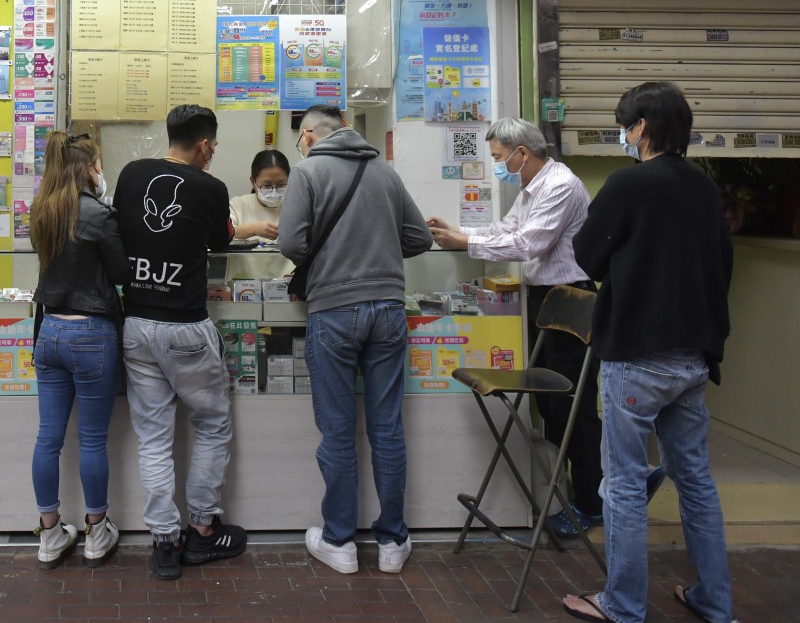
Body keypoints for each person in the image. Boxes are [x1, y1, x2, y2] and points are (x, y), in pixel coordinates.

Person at [562, 81, 735, 623]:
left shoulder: (628, 184)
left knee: (625, 486)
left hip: (637, 355)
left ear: (641, 128)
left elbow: (587, 255)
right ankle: (714, 601)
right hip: (694, 356)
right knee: (697, 483)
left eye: (624, 123)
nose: (623, 133)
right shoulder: (705, 188)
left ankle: (623, 604)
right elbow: (722, 264)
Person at [426, 116, 624, 540]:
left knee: (572, 406)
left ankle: (593, 503)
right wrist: (459, 233)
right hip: (544, 299)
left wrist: (466, 243)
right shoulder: (531, 187)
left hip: (571, 298)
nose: (497, 164)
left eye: (499, 157)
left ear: (522, 152)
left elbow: (529, 243)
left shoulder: (560, 186)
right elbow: (507, 229)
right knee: (551, 406)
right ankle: (567, 491)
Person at [279, 103, 433, 575]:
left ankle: (340, 542)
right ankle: (392, 542)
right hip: (388, 309)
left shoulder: (307, 172)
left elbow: (290, 245)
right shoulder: (384, 173)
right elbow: (420, 238)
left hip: (334, 311)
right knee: (387, 428)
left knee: (339, 429)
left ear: (308, 135)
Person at [114, 104, 247, 581]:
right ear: (205, 145)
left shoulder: (131, 175)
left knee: (153, 439)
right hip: (187, 327)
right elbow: (221, 241)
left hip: (137, 324)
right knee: (211, 425)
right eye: (214, 147)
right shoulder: (211, 188)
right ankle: (203, 530)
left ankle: (165, 544)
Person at [30, 131, 128, 569]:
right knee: (92, 440)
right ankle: (96, 530)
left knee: (48, 439)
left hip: (49, 332)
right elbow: (122, 271)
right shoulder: (98, 214)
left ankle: (50, 532)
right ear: (89, 168)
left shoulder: (42, 211)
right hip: (92, 334)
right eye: (97, 164)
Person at [229, 149, 291, 242]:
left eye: (281, 185)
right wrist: (254, 229)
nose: (274, 192)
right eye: (266, 186)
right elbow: (222, 234)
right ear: (253, 182)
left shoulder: (295, 207)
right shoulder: (238, 205)